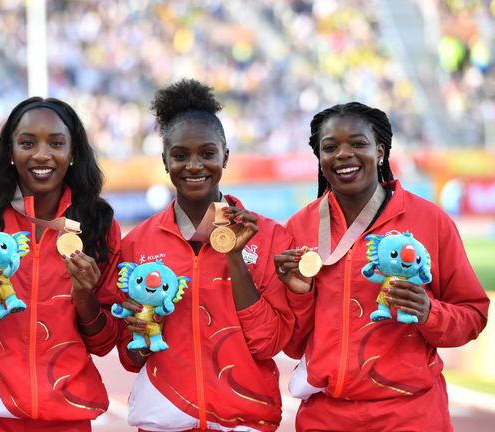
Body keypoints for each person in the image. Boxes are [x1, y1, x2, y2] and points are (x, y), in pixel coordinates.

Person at [275, 102, 490, 431]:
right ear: (319, 157)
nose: (343, 154)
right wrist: (298, 295)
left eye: (358, 144)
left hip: (410, 414)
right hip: (326, 416)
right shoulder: (299, 228)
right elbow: (291, 343)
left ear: (380, 151)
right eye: (330, 147)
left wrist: (428, 312)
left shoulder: (429, 220)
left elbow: (473, 315)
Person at [0, 96, 123, 431]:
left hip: (66, 412)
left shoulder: (98, 223)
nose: (41, 154)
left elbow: (104, 342)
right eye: (27, 143)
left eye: (56, 143)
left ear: (73, 152)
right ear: (9, 151)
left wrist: (85, 298)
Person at [116, 79, 295, 431]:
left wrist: (235, 257)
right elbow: (130, 356)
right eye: (180, 155)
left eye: (207, 154)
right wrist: (142, 333)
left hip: (244, 422)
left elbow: (268, 343)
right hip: (165, 419)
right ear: (165, 160)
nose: (193, 166)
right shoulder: (138, 243)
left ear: (225, 156)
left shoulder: (270, 236)